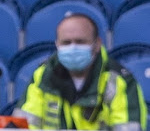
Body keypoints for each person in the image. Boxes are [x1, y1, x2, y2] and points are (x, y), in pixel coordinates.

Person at [14, 13, 147, 130]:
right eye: (66, 42)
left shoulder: (119, 81)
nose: (73, 47)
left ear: (97, 44)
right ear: (57, 45)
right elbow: (24, 125)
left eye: (80, 41)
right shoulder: (42, 76)